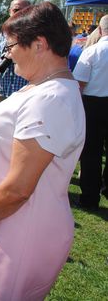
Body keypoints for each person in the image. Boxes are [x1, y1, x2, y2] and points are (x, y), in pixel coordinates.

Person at [0, 2, 85, 300]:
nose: (7, 52)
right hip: (10, 221)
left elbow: (18, 188)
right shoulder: (44, 89)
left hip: (22, 229)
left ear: (39, 44)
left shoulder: (51, 100)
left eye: (13, 44)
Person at [73, 14, 108, 210]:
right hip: (96, 102)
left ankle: (89, 198)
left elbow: (79, 84)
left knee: (91, 153)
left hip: (93, 105)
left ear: (101, 30)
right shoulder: (92, 52)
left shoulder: (92, 51)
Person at [0, 0, 31, 106]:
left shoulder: (34, 34)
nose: (19, 14)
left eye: (23, 10)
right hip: (1, 90)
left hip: (23, 92)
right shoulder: (4, 33)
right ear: (9, 12)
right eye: (16, 10)